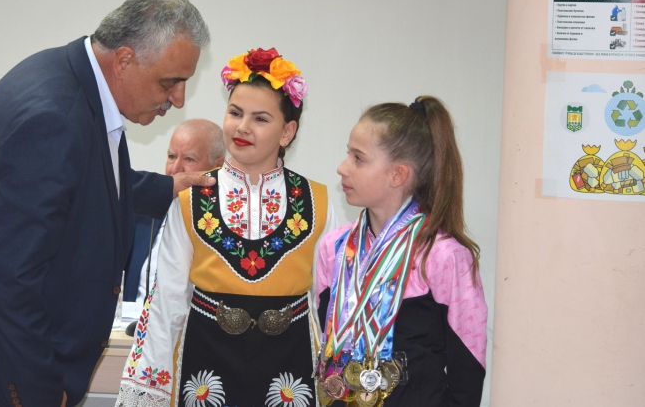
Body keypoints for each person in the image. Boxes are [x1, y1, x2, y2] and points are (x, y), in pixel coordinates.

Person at [0, 0, 214, 407]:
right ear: (124, 60)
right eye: (171, 82)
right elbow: (12, 280)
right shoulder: (53, 119)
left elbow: (81, 178)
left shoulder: (70, 78)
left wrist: (167, 187)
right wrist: (39, 392)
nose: (178, 98)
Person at [116, 48, 337, 406]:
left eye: (260, 118)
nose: (243, 126)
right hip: (205, 368)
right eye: (235, 113)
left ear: (287, 131)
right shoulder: (191, 198)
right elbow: (166, 300)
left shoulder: (318, 202)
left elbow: (331, 305)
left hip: (289, 370)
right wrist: (149, 390)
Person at [315, 97, 488, 406]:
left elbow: (467, 368)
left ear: (398, 175)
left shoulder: (444, 257)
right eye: (348, 154)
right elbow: (321, 339)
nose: (342, 168)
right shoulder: (334, 248)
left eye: (358, 158)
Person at [123, 119, 225, 303]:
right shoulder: (144, 210)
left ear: (218, 166)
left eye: (189, 159)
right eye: (171, 156)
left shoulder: (224, 224)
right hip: (132, 318)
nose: (175, 169)